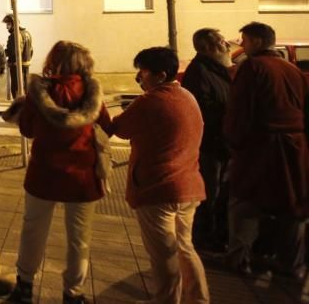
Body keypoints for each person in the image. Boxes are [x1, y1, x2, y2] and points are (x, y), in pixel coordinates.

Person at [4, 41, 110, 304]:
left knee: (33, 230)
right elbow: (107, 125)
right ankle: (73, 294)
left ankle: (25, 286)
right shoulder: (91, 93)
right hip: (82, 176)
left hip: (44, 173)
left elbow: (27, 130)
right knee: (79, 239)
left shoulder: (39, 93)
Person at [103, 47, 209, 304]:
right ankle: (199, 299)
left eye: (143, 72)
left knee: (163, 256)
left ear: (160, 75)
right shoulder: (187, 97)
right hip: (189, 186)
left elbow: (117, 129)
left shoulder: (151, 101)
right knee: (185, 247)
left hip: (158, 188)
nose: (139, 78)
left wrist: (98, 105)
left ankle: (166, 301)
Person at [224, 21, 309, 279]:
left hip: (261, 146)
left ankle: (239, 258)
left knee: (245, 200)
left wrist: (234, 142)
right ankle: (292, 263)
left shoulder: (252, 67)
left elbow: (240, 110)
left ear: (258, 42)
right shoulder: (292, 70)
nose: (244, 45)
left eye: (246, 41)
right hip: (295, 146)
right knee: (293, 204)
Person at [179, 28, 232, 251]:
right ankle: (204, 238)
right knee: (208, 192)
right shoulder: (200, 73)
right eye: (221, 42)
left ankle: (213, 234)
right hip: (211, 145)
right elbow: (202, 111)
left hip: (220, 144)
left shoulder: (217, 69)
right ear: (208, 48)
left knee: (217, 191)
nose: (227, 45)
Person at [3, 14, 33, 101]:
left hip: (17, 66)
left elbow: (12, 52)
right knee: (25, 87)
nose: (7, 27)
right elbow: (31, 50)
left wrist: (3, 51)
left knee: (16, 88)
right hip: (26, 65)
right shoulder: (27, 33)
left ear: (13, 23)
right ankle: (25, 107)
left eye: (8, 24)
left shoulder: (15, 35)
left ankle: (17, 108)